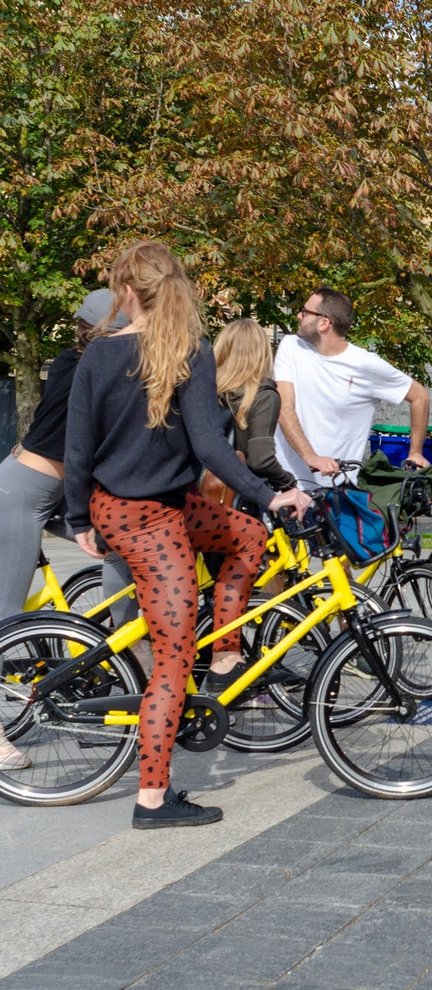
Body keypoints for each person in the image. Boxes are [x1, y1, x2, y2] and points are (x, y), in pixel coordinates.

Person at [62, 241, 311, 829]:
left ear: (127, 291)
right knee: (173, 660)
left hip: (150, 508)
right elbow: (211, 447)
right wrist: (272, 492)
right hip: (145, 522)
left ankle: (225, 658)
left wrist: (77, 518)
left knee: (249, 538)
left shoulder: (104, 356)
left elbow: (78, 450)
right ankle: (152, 799)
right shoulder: (187, 352)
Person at [0, 288, 138, 770]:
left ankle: (123, 663)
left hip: (58, 492)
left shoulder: (79, 358)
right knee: (6, 614)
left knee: (126, 547)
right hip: (22, 492)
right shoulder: (84, 366)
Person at [274, 287, 431, 486]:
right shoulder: (291, 346)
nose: (299, 316)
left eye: (305, 312)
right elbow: (284, 407)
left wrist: (415, 452)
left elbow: (419, 396)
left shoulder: (366, 365)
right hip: (285, 486)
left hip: (335, 491)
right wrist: (311, 457)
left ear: (324, 323)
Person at [213, 318, 296, 497]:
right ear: (262, 353)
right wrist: (289, 483)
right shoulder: (263, 396)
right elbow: (261, 460)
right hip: (239, 497)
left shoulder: (204, 389)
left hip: (196, 492)